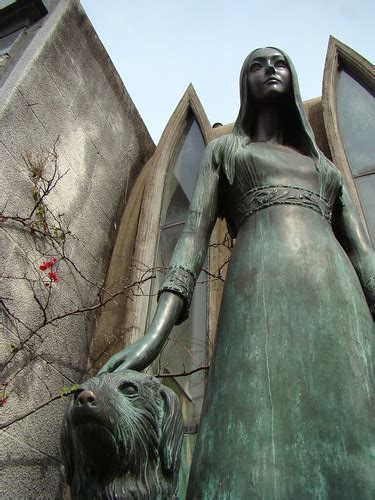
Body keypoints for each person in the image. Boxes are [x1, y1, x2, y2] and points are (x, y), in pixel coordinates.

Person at [100, 48, 375, 498]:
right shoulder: (225, 152)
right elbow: (190, 240)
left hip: (337, 301)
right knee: (249, 438)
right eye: (257, 64)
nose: (270, 69)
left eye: (280, 62)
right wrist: (152, 338)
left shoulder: (325, 170)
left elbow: (364, 254)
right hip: (258, 297)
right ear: (243, 83)